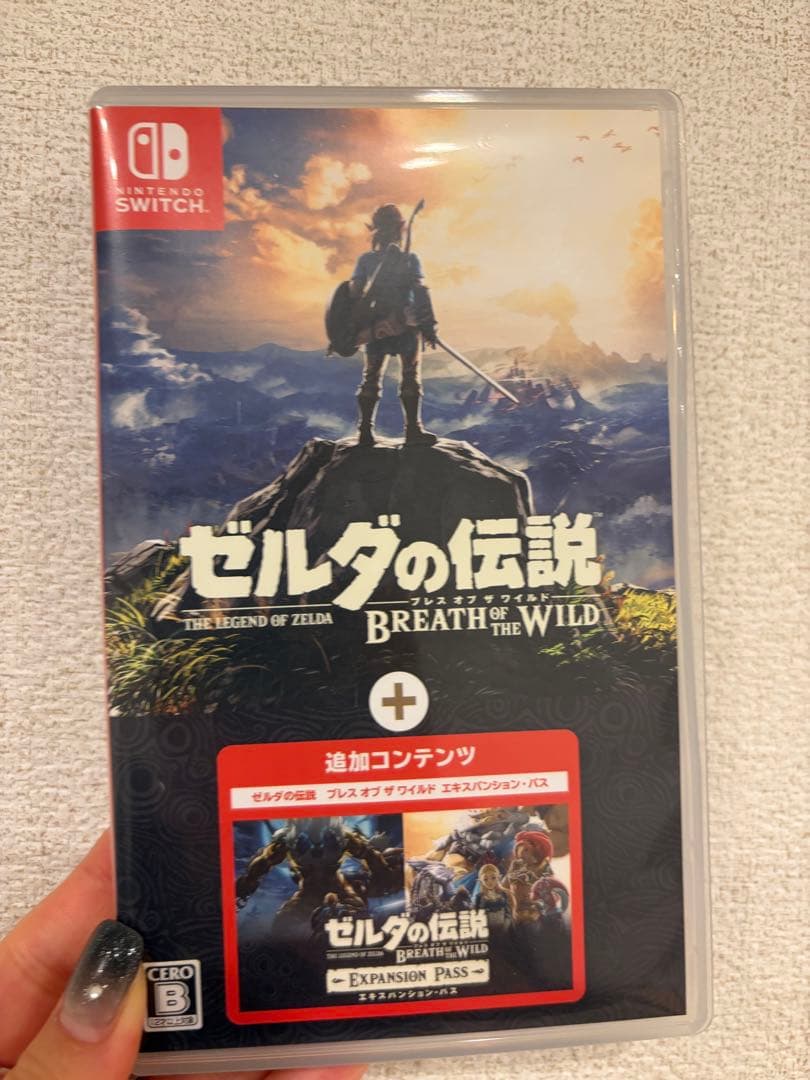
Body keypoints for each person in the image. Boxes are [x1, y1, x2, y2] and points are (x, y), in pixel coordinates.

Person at [0, 832, 367, 1080]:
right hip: (302, 902)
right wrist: (234, 898)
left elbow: (373, 860)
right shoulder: (288, 838)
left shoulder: (342, 836)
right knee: (280, 943)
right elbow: (258, 867)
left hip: (342, 895)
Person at [349, 204, 438, 447]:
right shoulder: (408, 259)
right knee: (408, 376)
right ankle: (411, 431)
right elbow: (420, 291)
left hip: (379, 326)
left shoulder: (367, 260)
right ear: (400, 229)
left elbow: (354, 293)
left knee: (372, 377)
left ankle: (366, 432)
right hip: (403, 324)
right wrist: (428, 325)